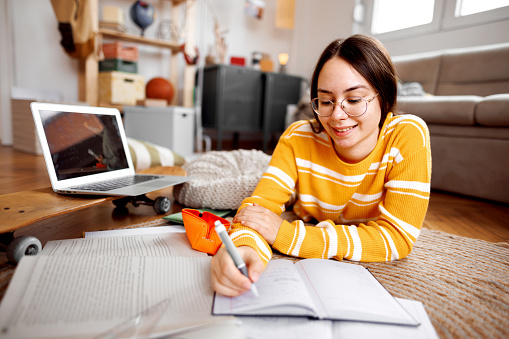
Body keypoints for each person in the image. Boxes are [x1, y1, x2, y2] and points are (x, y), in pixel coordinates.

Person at [211, 34, 431, 297]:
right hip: (302, 201)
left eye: (354, 100)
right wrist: (243, 248)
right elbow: (258, 211)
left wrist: (289, 235)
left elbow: (397, 238)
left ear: (383, 98)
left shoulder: (407, 135)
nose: (337, 116)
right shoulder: (298, 137)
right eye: (326, 101)